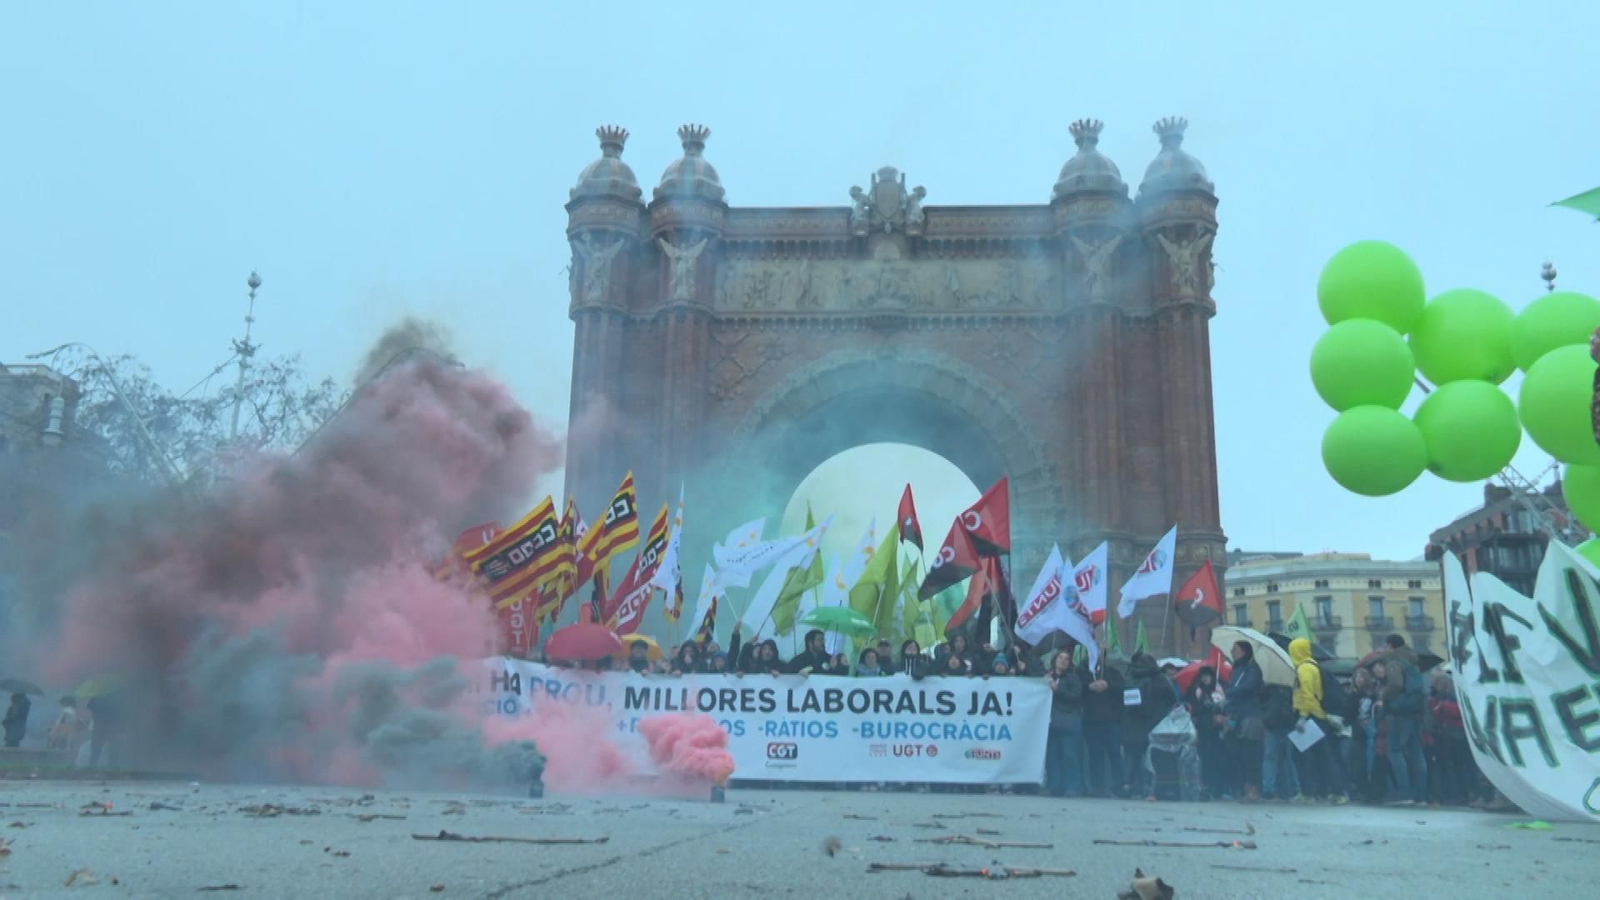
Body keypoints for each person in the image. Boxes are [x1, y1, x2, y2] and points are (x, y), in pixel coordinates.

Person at [1289, 638, 1348, 804]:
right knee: (1323, 756)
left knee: (1302, 756)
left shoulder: (1304, 669)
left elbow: (1307, 695)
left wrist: (1302, 717)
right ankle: (1337, 792)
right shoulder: (1312, 666)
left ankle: (1308, 793)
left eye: (1292, 650)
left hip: (1309, 717)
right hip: (1317, 716)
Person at [1378, 634, 1428, 806]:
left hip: (1399, 712)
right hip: (1415, 712)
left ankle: (1404, 793)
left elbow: (1396, 684)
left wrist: (1383, 695)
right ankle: (1420, 795)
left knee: (1395, 751)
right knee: (1416, 753)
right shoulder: (1412, 662)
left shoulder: (1393, 662)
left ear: (1390, 646)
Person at [1122, 653, 1175, 800]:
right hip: (1155, 724)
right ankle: (1152, 788)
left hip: (1133, 724)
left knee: (1132, 756)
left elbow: (1126, 702)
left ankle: (1128, 785)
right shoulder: (1161, 679)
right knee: (1155, 757)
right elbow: (1172, 699)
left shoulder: (1130, 678)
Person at [1225, 641, 1266, 802]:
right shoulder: (1236, 669)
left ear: (1244, 651)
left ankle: (1254, 787)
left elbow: (1249, 687)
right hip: (1235, 717)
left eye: (1235, 649)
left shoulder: (1253, 669)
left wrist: (1230, 692)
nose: (1232, 652)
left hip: (1250, 716)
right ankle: (1241, 787)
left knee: (1251, 755)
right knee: (1237, 755)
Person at [1082, 660, 1126, 797]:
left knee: (1115, 754)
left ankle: (1119, 786)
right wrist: (1089, 687)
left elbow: (1123, 687)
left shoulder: (1112, 672)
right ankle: (1097, 787)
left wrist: (1108, 685)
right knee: (1095, 755)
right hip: (1091, 721)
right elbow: (1078, 689)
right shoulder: (1083, 671)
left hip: (1112, 721)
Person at [1045, 650, 1086, 798]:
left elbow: (1076, 697)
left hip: (1067, 722)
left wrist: (1058, 689)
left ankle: (1073, 786)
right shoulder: (1047, 676)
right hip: (1050, 722)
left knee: (1069, 755)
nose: (1062, 661)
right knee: (1052, 755)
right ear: (1055, 660)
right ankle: (1055, 786)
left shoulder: (1073, 678)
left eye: (1066, 659)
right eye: (1060, 658)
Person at [1427, 674, 1470, 806]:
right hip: (1446, 734)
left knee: (1459, 766)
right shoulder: (1437, 697)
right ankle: (1451, 794)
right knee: (1449, 765)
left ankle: (1462, 794)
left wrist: (1443, 706)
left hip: (1457, 734)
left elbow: (1459, 711)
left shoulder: (1453, 695)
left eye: (1437, 683)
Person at [1186, 666, 1227, 800]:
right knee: (1205, 759)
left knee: (1219, 759)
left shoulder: (1220, 690)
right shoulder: (1196, 691)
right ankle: (1206, 786)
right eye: (1203, 676)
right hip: (1204, 730)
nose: (1205, 678)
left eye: (1208, 676)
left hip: (1218, 731)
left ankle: (1219, 788)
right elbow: (1194, 710)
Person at [1261, 683, 1304, 802]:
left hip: (1288, 725)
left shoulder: (1293, 688)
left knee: (1290, 758)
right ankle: (1269, 789)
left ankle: (1294, 789)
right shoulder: (1268, 687)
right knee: (1270, 757)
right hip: (1272, 725)